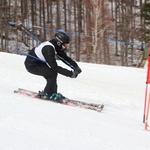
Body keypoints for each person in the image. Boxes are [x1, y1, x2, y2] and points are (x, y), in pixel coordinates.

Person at [24, 30, 82, 101]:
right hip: (31, 65)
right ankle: (48, 94)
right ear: (59, 42)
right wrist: (70, 74)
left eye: (67, 45)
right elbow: (54, 67)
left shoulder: (56, 46)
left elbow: (64, 58)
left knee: (52, 73)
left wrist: (75, 67)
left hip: (39, 63)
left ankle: (52, 93)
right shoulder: (48, 49)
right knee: (51, 73)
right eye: (64, 45)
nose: (65, 47)